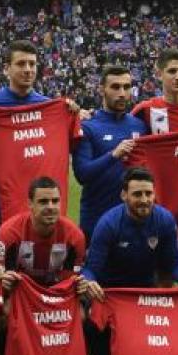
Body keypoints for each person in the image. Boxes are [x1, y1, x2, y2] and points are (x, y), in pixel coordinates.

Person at [78, 167, 178, 355]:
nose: (144, 200)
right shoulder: (108, 224)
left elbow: (174, 263)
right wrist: (90, 283)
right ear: (124, 195)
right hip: (111, 292)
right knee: (92, 321)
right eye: (137, 194)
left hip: (145, 292)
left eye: (148, 193)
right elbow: (91, 269)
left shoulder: (165, 220)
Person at [0, 40, 78, 262]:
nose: (28, 69)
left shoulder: (50, 107)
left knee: (28, 277)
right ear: (7, 68)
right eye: (21, 64)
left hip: (35, 209)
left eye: (32, 64)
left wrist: (73, 113)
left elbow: (75, 143)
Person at [73, 65, 146, 242]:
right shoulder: (88, 125)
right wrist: (113, 154)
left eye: (126, 87)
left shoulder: (140, 126)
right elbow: (82, 174)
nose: (122, 93)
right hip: (96, 220)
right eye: (115, 87)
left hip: (134, 219)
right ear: (101, 90)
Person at [0, 176, 87, 290]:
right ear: (30, 203)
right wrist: (2, 278)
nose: (51, 207)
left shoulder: (74, 237)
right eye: (43, 202)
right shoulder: (9, 233)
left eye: (55, 201)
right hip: (19, 293)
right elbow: (1, 276)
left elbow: (71, 281)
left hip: (57, 295)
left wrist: (80, 285)